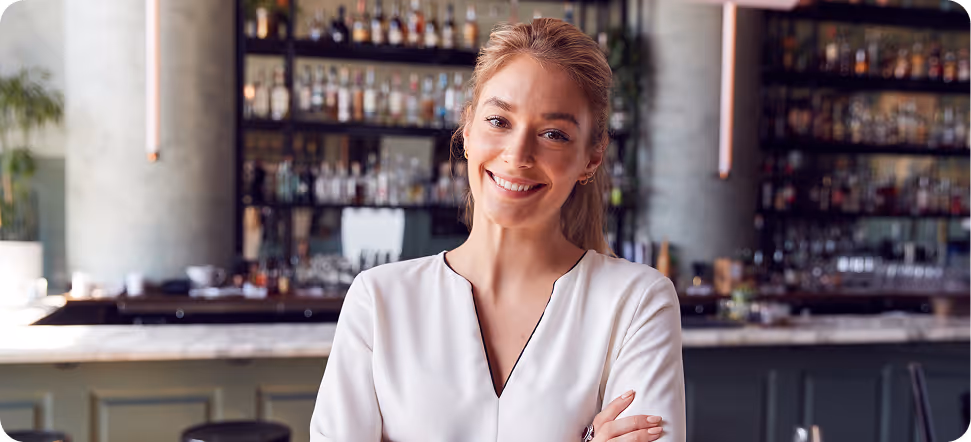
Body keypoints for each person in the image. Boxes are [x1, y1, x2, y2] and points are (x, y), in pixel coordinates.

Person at [311, 18, 685, 442]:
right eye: (499, 121)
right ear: (468, 129)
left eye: (553, 134)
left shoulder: (637, 302)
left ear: (592, 159)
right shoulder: (378, 300)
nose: (518, 155)